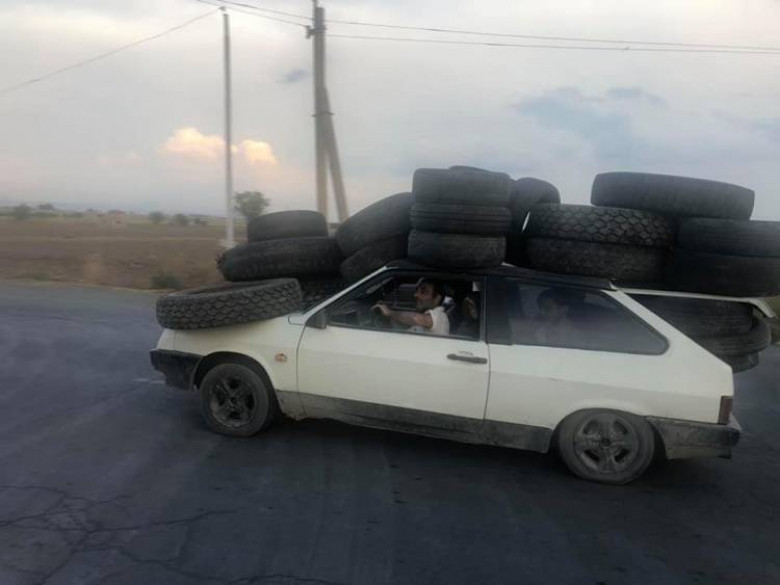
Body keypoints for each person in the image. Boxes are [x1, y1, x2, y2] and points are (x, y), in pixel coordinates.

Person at [372, 279, 450, 335]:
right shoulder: (427, 316)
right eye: (417, 291)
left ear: (437, 299)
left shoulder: (441, 317)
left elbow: (416, 318)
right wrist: (388, 315)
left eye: (423, 292)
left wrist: (390, 312)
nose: (415, 295)